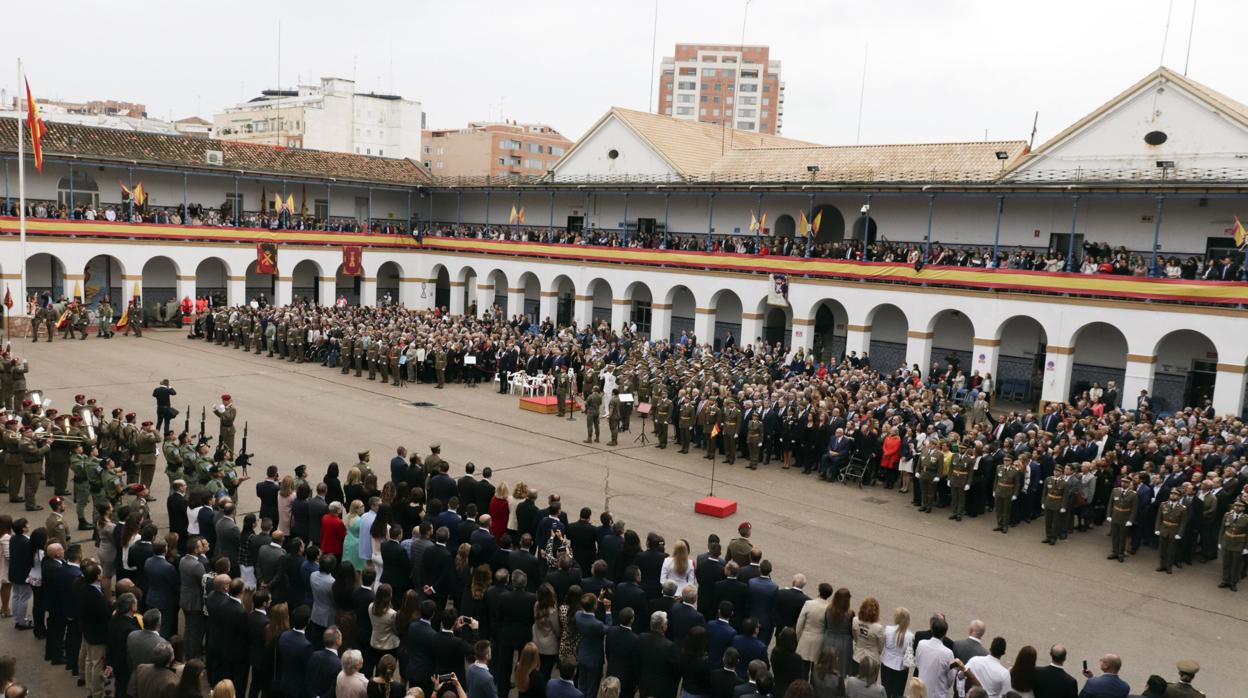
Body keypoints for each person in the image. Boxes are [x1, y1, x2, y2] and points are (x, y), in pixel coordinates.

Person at [914, 617, 962, 698]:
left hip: (921, 692)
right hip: (938, 694)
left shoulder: (921, 644)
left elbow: (918, 664)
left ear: (932, 630)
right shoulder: (948, 653)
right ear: (945, 634)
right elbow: (951, 678)